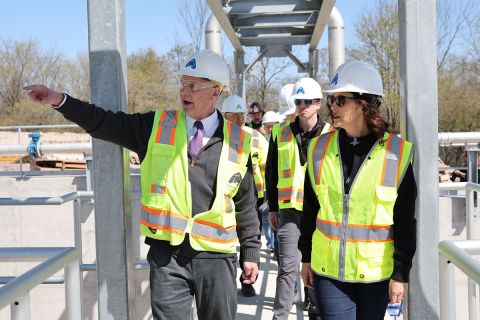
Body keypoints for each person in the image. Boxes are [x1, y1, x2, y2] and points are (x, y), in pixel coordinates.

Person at [24, 49, 260, 320]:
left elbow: (245, 202)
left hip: (217, 258)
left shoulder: (239, 140)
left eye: (193, 85)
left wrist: (250, 251)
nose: (184, 91)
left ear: (215, 92)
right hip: (166, 257)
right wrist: (60, 100)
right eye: (182, 83)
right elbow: (104, 122)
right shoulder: (155, 126)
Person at [299, 60, 417, 320]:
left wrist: (400, 274)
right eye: (332, 100)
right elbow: (309, 211)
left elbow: (405, 222)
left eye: (341, 100)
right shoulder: (317, 149)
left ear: (365, 103)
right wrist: (305, 257)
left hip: (377, 275)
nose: (333, 107)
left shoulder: (396, 153)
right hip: (329, 273)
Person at [266, 77, 327, 319]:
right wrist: (272, 208)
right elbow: (271, 172)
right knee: (287, 266)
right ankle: (280, 315)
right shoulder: (280, 133)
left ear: (318, 103)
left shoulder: (332, 134)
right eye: (299, 101)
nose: (302, 106)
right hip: (289, 210)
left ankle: (315, 310)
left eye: (307, 101)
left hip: (321, 212)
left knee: (317, 265)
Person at [221, 94, 269, 297]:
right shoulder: (218, 135)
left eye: (241, 115)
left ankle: (247, 280)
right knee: (228, 238)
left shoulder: (256, 137)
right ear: (225, 115)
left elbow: (268, 165)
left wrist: (267, 197)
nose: (239, 119)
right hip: (226, 196)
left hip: (254, 195)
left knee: (251, 238)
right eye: (234, 115)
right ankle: (226, 279)